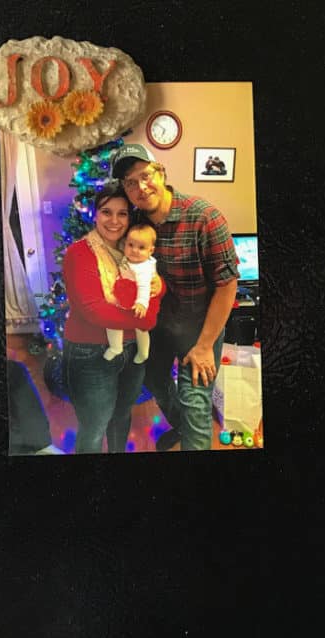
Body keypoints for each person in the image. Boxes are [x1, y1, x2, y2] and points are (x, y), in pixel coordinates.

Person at [111, 143, 240, 451]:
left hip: (200, 327)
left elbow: (227, 286)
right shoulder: (134, 224)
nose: (141, 187)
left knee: (195, 400)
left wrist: (206, 345)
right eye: (130, 182)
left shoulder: (205, 218)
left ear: (161, 173)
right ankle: (182, 426)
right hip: (157, 327)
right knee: (153, 381)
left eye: (145, 175)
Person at [61, 183, 165, 453]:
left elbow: (149, 280)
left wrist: (159, 285)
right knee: (95, 428)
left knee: (120, 417)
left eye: (123, 214)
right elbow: (92, 309)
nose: (115, 221)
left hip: (131, 350)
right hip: (91, 351)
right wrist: (143, 321)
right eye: (107, 212)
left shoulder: (133, 249)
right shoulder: (80, 253)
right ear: (95, 214)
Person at [103, 222, 157, 364]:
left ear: (151, 251)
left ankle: (143, 353)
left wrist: (141, 303)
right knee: (113, 323)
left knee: (141, 329)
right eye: (130, 245)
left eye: (141, 248)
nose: (134, 250)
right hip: (124, 298)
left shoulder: (143, 268)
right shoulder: (128, 259)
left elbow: (145, 286)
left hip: (138, 303)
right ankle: (116, 347)